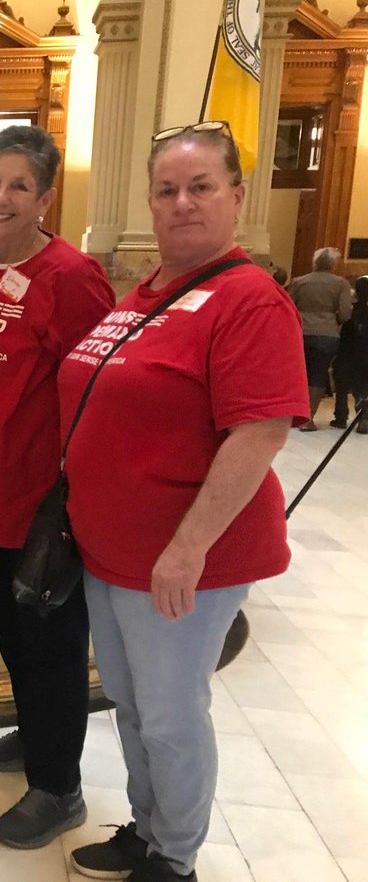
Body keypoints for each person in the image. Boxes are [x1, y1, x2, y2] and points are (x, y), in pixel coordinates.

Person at [61, 122, 307, 882]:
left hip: (181, 561)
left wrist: (188, 547)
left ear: (236, 196)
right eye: (167, 190)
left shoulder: (248, 299)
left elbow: (259, 433)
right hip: (113, 553)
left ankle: (175, 858)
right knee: (133, 708)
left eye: (201, 187)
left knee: (169, 716)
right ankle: (148, 826)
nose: (182, 203)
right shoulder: (146, 294)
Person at [0, 125, 114, 847]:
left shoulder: (70, 276)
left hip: (40, 501)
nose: (1, 197)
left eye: (19, 186)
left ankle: (59, 785)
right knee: (9, 631)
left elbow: (100, 390)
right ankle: (32, 731)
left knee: (50, 643)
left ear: (46, 198)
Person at [290, 246, 351, 430]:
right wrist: (334, 319)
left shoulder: (300, 281)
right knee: (317, 374)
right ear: (333, 263)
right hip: (327, 333)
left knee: (299, 374)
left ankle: (293, 414)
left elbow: (289, 306)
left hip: (301, 332)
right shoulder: (341, 284)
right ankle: (308, 418)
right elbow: (346, 313)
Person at [333, 275, 368, 432]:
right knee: (362, 386)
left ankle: (341, 416)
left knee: (341, 383)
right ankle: (364, 415)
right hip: (365, 354)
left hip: (347, 352)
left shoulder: (351, 310)